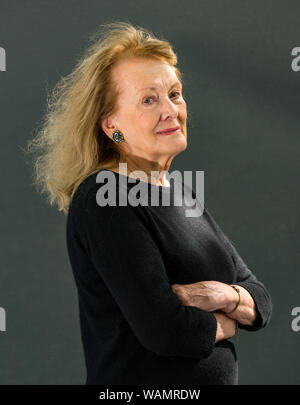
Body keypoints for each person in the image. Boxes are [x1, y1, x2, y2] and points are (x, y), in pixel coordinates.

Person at [27, 21, 272, 385]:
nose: (171, 110)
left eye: (175, 93)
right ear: (112, 126)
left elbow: (261, 300)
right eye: (149, 99)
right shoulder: (104, 198)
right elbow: (169, 331)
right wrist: (230, 321)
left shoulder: (180, 191)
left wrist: (225, 294)